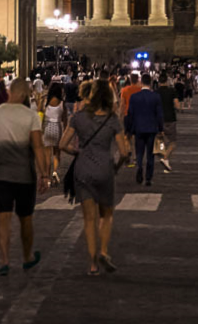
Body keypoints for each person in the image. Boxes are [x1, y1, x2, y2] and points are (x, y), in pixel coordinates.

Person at [60, 79, 129, 276]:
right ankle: (104, 251)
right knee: (106, 215)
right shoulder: (113, 120)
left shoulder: (78, 117)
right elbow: (123, 151)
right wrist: (116, 166)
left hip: (83, 169)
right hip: (105, 168)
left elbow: (63, 144)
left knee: (88, 219)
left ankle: (92, 264)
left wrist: (77, 152)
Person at [0, 78, 48, 276]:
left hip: (1, 174)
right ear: (24, 94)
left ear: (10, 92)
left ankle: (4, 260)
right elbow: (37, 146)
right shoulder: (30, 116)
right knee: (25, 218)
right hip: (24, 175)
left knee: (3, 216)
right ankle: (27, 257)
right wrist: (44, 174)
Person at [125, 76, 163, 186]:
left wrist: (128, 129)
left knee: (139, 151)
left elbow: (130, 114)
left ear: (141, 83)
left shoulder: (134, 97)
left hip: (138, 128)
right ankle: (148, 178)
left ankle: (140, 166)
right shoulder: (156, 97)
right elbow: (159, 114)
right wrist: (161, 129)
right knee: (151, 154)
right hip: (151, 128)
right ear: (150, 83)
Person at [42, 83, 67, 183]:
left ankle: (47, 177)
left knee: (47, 154)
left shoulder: (46, 102)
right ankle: (55, 172)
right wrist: (65, 131)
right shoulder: (62, 103)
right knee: (56, 153)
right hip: (57, 127)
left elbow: (42, 113)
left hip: (47, 127)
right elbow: (64, 119)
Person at [155, 74, 179, 172]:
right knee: (172, 142)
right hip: (170, 118)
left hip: (159, 119)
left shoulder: (155, 92)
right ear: (167, 81)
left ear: (159, 82)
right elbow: (177, 105)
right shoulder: (172, 91)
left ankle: (165, 160)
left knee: (160, 141)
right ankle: (165, 158)